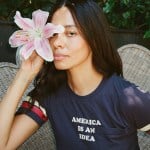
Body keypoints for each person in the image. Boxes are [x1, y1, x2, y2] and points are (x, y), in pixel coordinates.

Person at [0, 0, 150, 149]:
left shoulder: (127, 98)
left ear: (94, 39)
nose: (57, 43)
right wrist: (24, 75)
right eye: (53, 34)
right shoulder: (47, 95)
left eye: (71, 33)